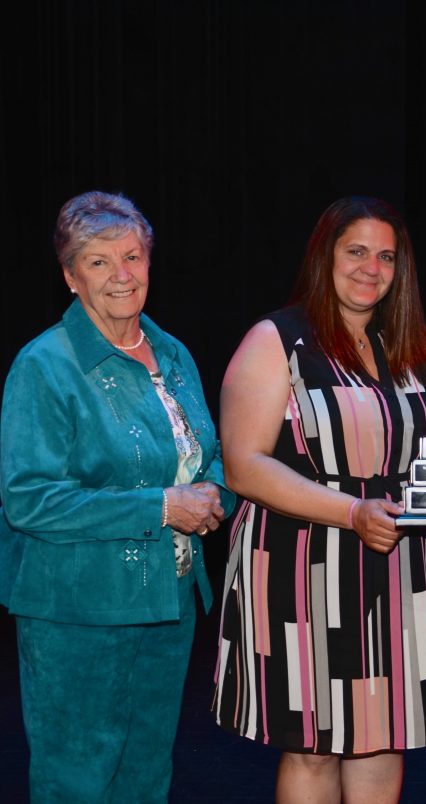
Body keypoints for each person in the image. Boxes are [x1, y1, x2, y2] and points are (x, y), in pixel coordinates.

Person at [212, 196, 426, 803]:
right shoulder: (279, 340)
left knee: (384, 736)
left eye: (386, 257)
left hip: (400, 565)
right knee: (314, 742)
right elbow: (243, 467)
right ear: (325, 257)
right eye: (356, 252)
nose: (371, 268)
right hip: (301, 565)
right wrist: (351, 512)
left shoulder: (419, 350)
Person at [0, 190, 233, 801]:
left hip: (168, 599)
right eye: (99, 262)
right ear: (70, 277)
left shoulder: (174, 353)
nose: (122, 275)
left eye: (132, 256)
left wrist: (215, 494)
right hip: (79, 611)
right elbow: (29, 499)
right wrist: (162, 506)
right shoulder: (44, 366)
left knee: (147, 775)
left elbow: (207, 456)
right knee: (78, 780)